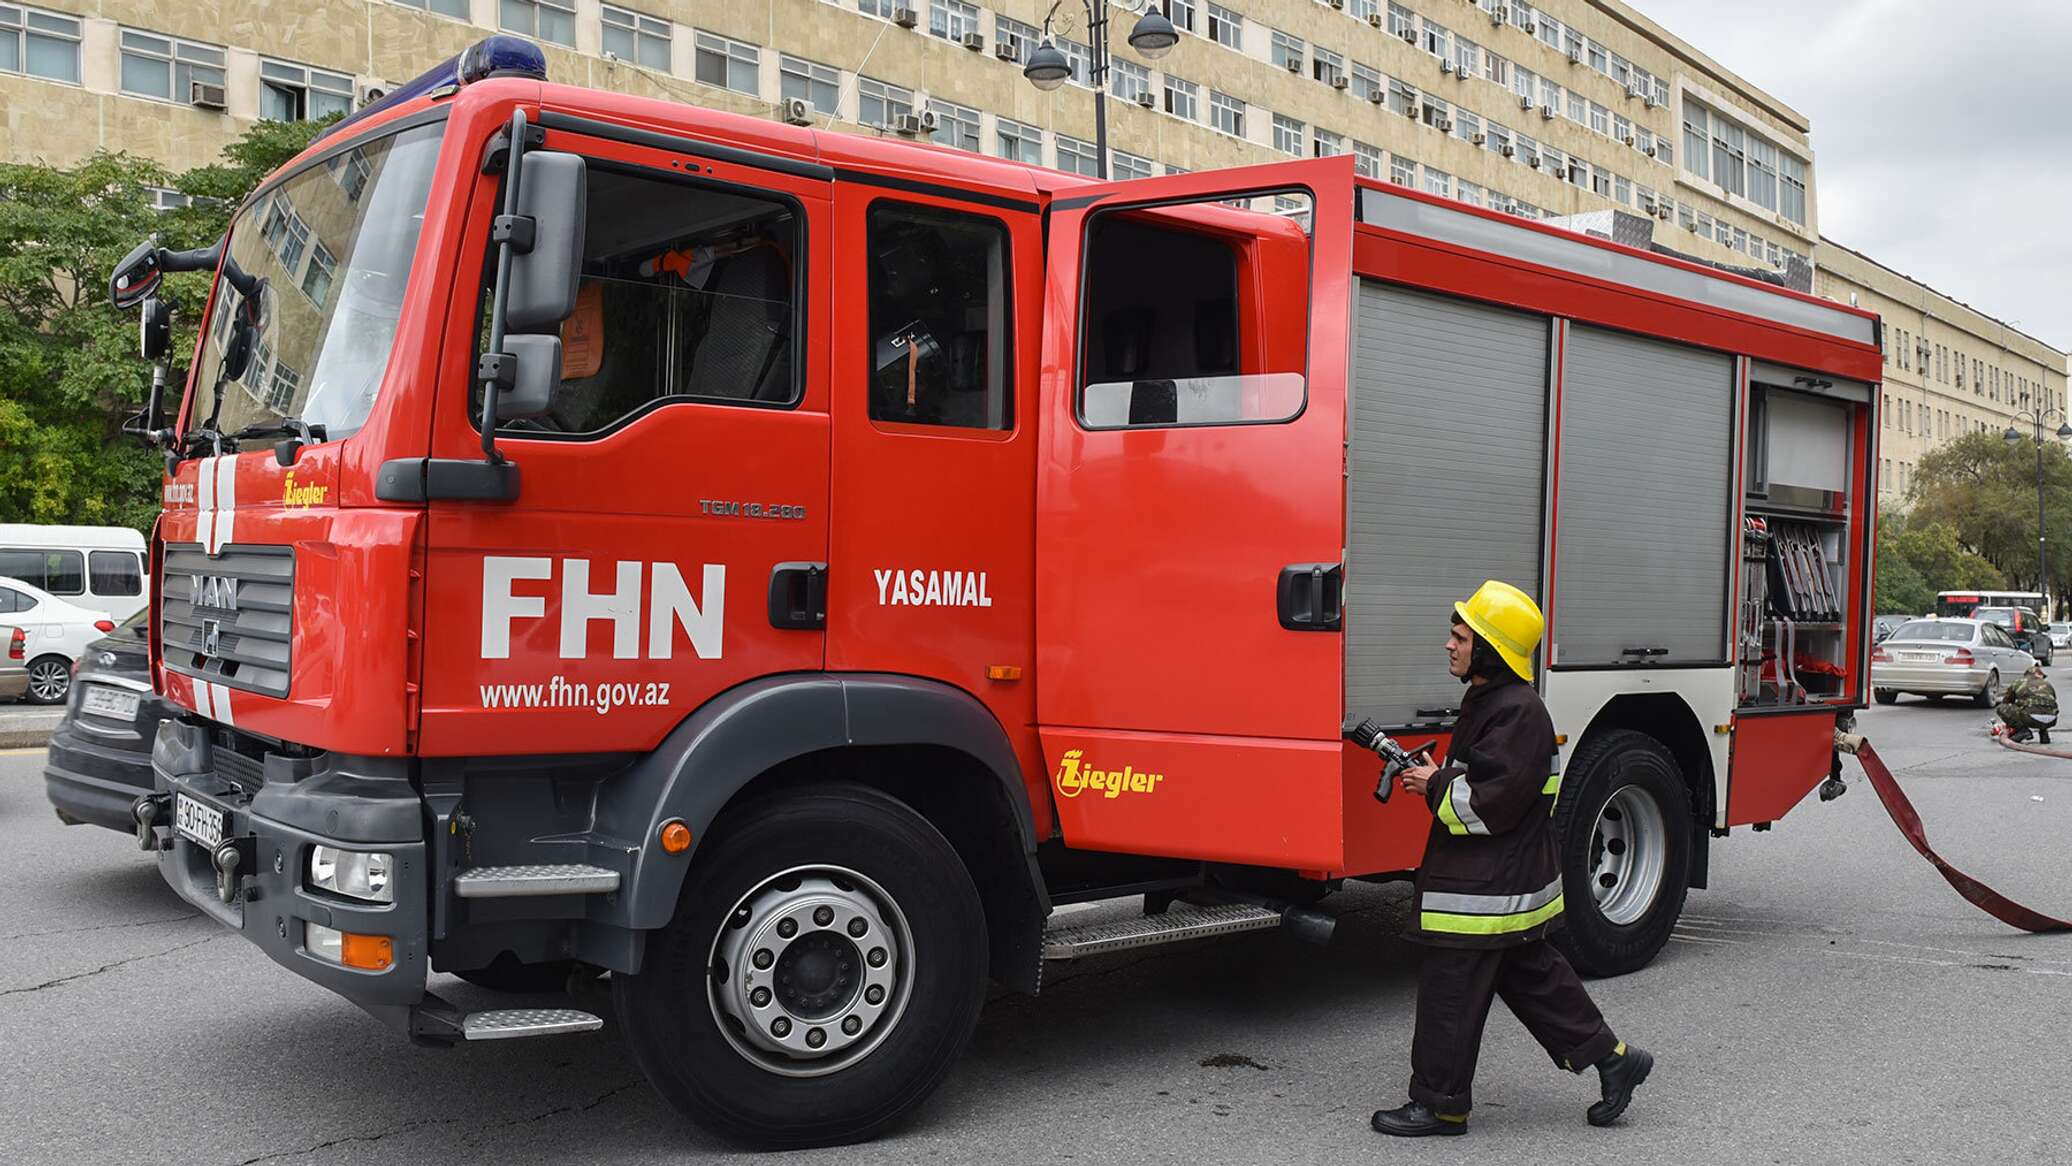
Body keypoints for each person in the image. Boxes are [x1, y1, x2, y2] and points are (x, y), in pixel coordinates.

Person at [1370, 580, 1653, 1138]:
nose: (1449, 646)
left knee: (1450, 990)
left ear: (1489, 649)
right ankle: (1615, 1060)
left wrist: (1432, 784)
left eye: (1460, 637)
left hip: (1486, 887)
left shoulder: (1517, 713)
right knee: (1533, 979)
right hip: (1503, 880)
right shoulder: (1494, 703)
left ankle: (1440, 1106)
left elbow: (1487, 803)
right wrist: (1441, 778)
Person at [1996, 663, 2058, 745]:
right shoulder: (2048, 684)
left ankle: (2023, 731)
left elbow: (2007, 701)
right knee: (2044, 706)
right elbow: (2052, 701)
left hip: (2031, 719)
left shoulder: (2019, 682)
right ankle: (2043, 733)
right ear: (2038, 675)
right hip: (2052, 720)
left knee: (2002, 708)